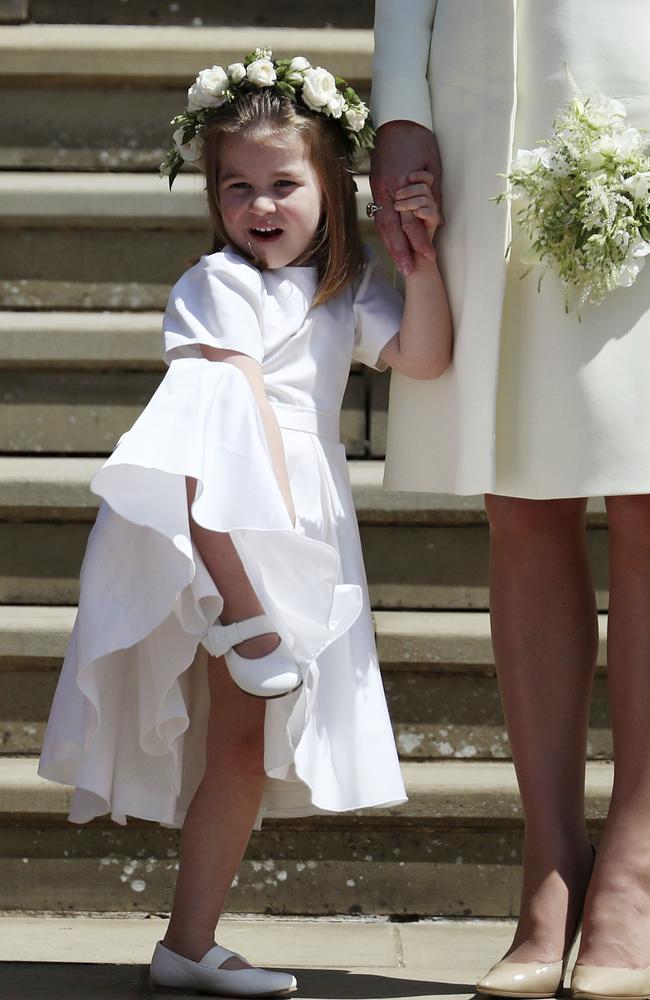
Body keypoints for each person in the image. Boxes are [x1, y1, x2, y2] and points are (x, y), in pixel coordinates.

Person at [38, 49, 452, 998]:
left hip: (298, 510)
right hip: (208, 512)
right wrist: (258, 548)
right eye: (238, 188)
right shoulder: (211, 281)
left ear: (330, 186)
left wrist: (418, 264)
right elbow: (230, 413)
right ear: (214, 197)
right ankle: (240, 606)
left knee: (237, 744)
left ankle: (188, 942)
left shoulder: (348, 291)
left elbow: (425, 359)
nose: (260, 207)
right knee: (223, 387)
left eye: (282, 185)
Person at [371, 3, 650, 999]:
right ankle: (549, 862)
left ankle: (636, 862)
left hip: (637, 76)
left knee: (645, 489)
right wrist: (399, 97)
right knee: (519, 491)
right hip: (487, 94)